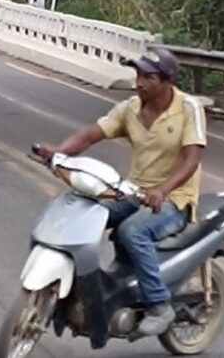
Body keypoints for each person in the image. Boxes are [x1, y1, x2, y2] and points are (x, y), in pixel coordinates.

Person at [35, 49, 205, 337]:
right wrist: (59, 152)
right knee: (84, 213)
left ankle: (159, 304)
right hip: (132, 192)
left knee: (132, 232)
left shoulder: (188, 108)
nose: (140, 82)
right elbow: (91, 135)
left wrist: (162, 190)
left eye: (148, 77)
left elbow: (192, 160)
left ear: (168, 81)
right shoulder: (130, 109)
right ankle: (79, 290)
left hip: (174, 199)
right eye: (138, 75)